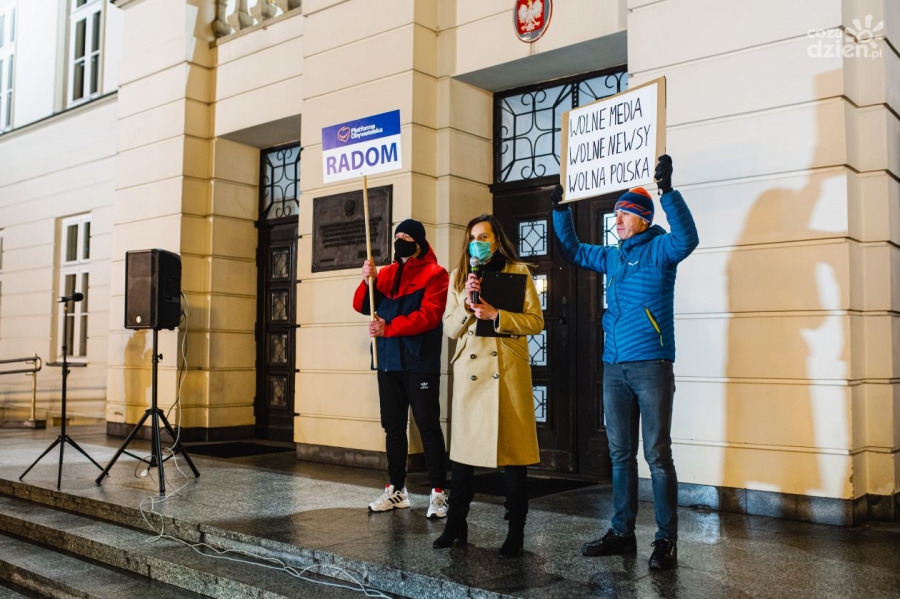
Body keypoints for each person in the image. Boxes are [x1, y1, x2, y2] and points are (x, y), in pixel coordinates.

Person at [550, 155, 698, 570]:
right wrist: (561, 210)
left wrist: (667, 192)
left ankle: (665, 540)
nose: (616, 220)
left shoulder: (661, 249)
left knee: (657, 455)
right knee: (619, 455)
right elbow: (574, 250)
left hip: (651, 365)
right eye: (615, 214)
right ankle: (621, 533)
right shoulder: (613, 257)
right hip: (614, 368)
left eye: (624, 214)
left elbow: (688, 239)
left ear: (642, 218)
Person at [433, 214, 544, 558]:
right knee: (463, 457)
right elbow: (450, 329)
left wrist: (497, 315)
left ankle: (516, 530)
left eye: (483, 236)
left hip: (507, 372)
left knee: (514, 456)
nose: (476, 243)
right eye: (472, 237)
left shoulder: (518, 271)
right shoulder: (459, 276)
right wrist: (467, 307)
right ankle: (455, 523)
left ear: (497, 240)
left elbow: (536, 322)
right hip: (471, 373)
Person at [352, 219, 450, 519]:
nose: (400, 240)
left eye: (406, 236)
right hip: (387, 360)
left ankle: (438, 492)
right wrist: (366, 281)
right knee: (393, 426)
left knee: (427, 425)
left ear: (419, 241)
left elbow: (429, 316)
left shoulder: (436, 274)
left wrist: (389, 327)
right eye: (397, 236)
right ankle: (396, 489)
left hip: (419, 361)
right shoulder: (387, 273)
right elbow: (361, 306)